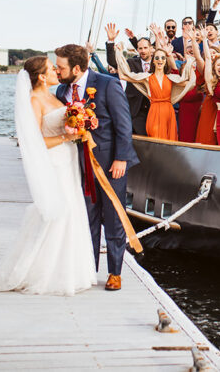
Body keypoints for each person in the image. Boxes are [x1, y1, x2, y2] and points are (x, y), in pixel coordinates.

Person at [0, 57, 98, 296]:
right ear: (40, 76)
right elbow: (34, 141)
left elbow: (64, 121)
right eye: (51, 69)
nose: (57, 72)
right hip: (54, 162)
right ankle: (39, 272)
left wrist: (80, 122)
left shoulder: (55, 95)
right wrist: (66, 138)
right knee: (57, 212)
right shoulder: (35, 100)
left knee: (72, 211)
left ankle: (70, 269)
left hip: (68, 160)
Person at [53, 43, 137, 292]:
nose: (57, 72)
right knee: (86, 216)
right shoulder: (61, 91)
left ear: (76, 68)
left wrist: (121, 158)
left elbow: (124, 124)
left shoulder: (107, 84)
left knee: (113, 217)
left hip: (110, 163)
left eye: (61, 67)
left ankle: (115, 272)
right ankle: (88, 268)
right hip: (78, 164)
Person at [113, 39, 197, 140]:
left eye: (163, 57)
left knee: (169, 142)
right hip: (154, 113)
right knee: (155, 140)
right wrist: (119, 53)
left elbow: (190, 83)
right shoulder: (147, 78)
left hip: (168, 114)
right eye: (157, 57)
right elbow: (124, 75)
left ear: (165, 60)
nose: (160, 60)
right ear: (153, 60)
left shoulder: (171, 78)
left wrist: (190, 63)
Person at [105, 23, 152, 135]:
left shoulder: (158, 63)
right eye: (140, 48)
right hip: (134, 111)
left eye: (145, 48)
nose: (143, 51)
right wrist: (110, 42)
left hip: (153, 111)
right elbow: (114, 62)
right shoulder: (131, 63)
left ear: (151, 48)